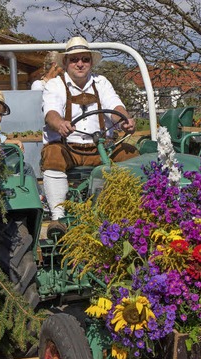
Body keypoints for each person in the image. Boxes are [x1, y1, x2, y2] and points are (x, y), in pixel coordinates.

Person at [41, 36, 138, 226]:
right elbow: (51, 112)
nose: (80, 64)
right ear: (66, 62)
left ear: (91, 62)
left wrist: (124, 121)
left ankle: (130, 211)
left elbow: (115, 106)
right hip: (68, 148)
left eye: (85, 59)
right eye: (75, 59)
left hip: (100, 148)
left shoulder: (101, 82)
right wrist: (60, 123)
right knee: (53, 154)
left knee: (131, 154)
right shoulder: (55, 85)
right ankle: (58, 217)